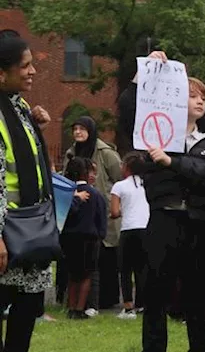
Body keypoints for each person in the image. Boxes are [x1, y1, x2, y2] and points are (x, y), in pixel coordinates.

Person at [133, 50, 205, 352]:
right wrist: (145, 78)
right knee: (155, 295)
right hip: (164, 221)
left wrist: (172, 164)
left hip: (199, 224)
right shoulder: (153, 137)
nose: (200, 101)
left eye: (203, 97)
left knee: (198, 296)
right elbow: (132, 111)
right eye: (192, 94)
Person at [0, 36, 56, 352]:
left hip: (32, 227)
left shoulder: (18, 107)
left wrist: (37, 123)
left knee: (28, 301)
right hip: (8, 229)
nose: (33, 71)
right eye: (25, 65)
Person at [64, 116, 122, 313]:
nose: (78, 132)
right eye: (75, 129)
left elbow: (119, 177)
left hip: (100, 211)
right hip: (76, 214)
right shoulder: (71, 153)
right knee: (77, 265)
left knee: (102, 260)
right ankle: (75, 303)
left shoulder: (106, 153)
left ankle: (103, 301)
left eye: (82, 129)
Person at [61, 157, 107, 320]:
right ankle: (81, 308)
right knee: (87, 274)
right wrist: (101, 234)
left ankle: (71, 307)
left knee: (73, 273)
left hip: (70, 237)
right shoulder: (95, 194)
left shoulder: (67, 193)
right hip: (90, 237)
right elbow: (101, 217)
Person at [110, 152, 149, 319]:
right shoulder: (147, 184)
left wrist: (118, 213)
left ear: (126, 168)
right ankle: (141, 303)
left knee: (125, 270)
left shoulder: (119, 186)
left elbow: (114, 211)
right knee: (142, 268)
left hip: (129, 229)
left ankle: (127, 306)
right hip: (146, 228)